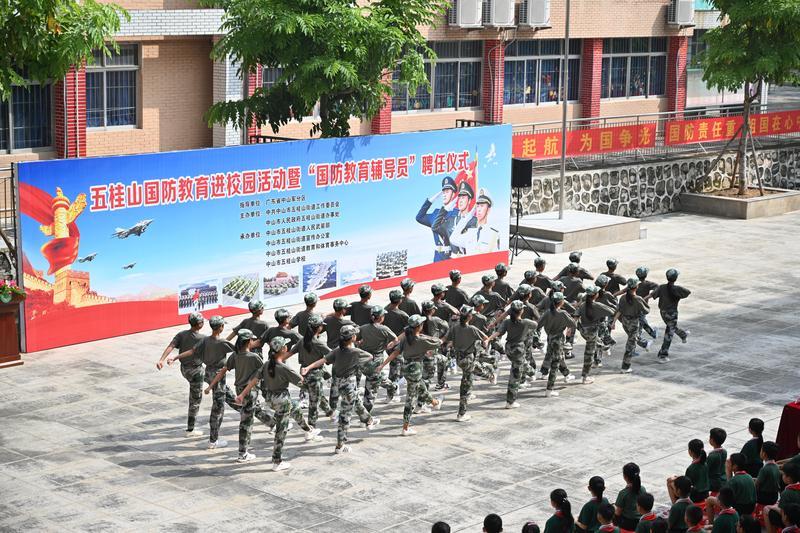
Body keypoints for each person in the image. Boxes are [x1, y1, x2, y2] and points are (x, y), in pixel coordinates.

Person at [235, 337, 323, 471]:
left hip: (271, 399)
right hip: (282, 401)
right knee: (281, 431)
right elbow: (302, 383)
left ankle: (308, 431)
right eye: (286, 345)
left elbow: (254, 380)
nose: (287, 346)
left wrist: (242, 395)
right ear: (283, 349)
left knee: (296, 409)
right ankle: (277, 461)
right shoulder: (284, 367)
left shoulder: (267, 364)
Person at [301, 325, 380, 454]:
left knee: (357, 403)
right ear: (353, 337)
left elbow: (323, 360)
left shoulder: (337, 350)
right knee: (345, 416)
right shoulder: (355, 352)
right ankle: (340, 446)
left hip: (338, 383)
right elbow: (370, 357)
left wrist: (308, 367)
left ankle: (368, 420)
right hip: (348, 385)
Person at [168, 315, 236, 449]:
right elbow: (240, 351)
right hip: (218, 375)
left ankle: (213, 439)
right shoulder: (222, 342)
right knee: (218, 407)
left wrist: (175, 357)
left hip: (208, 372)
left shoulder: (205, 340)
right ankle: (213, 440)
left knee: (222, 401)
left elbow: (191, 351)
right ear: (221, 327)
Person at [377, 314, 443, 436]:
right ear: (419, 327)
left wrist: (382, 365)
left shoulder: (406, 338)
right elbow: (439, 342)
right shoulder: (421, 340)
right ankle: (405, 428)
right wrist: (424, 336)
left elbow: (396, 352)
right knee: (410, 399)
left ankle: (435, 403)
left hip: (406, 369)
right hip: (416, 370)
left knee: (421, 388)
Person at [204, 329, 262, 462]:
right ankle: (243, 453)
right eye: (252, 340)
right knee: (247, 422)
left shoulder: (235, 355)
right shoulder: (254, 357)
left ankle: (243, 452)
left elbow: (222, 371)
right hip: (249, 391)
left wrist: (210, 386)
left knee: (245, 419)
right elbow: (262, 374)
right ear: (248, 342)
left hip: (239, 389)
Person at [156, 312, 207, 437]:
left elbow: (171, 346)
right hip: (196, 371)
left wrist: (161, 359)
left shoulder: (182, 334)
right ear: (199, 324)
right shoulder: (203, 338)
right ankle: (190, 430)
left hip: (184, 369)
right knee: (195, 400)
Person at [447, 305, 494, 422]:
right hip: (468, 358)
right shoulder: (472, 329)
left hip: (459, 358)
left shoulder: (455, 327)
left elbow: (448, 340)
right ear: (469, 317)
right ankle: (461, 414)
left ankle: (489, 375)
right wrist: (484, 344)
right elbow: (485, 338)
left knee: (471, 373)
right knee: (465, 386)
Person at [488, 300, 536, 408]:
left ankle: (532, 373)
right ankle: (510, 402)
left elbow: (498, 332)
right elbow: (536, 324)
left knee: (520, 364)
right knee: (515, 375)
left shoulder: (507, 322)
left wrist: (489, 338)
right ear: (521, 311)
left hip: (509, 348)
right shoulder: (525, 322)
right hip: (518, 349)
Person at [292, 314, 334, 427]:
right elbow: (332, 355)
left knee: (318, 395)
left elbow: (290, 353)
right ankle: (311, 426)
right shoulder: (318, 343)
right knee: (314, 401)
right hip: (315, 375)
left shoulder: (302, 341)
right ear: (319, 328)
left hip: (304, 373)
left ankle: (331, 413)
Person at [357, 305, 400, 410]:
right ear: (381, 317)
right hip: (377, 358)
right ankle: (392, 386)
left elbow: (356, 339)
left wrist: (360, 343)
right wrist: (389, 345)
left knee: (371, 381)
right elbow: (395, 339)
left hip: (365, 357)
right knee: (374, 378)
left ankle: (367, 410)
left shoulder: (363, 328)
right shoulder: (384, 329)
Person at [536, 292, 577, 397]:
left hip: (550, 338)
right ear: (561, 302)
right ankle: (549, 389)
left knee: (558, 357)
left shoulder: (547, 312)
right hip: (558, 339)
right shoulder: (562, 313)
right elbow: (573, 323)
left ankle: (567, 374)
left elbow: (538, 325)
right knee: (555, 363)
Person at [611, 278, 653, 373]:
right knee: (630, 344)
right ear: (636, 287)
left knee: (632, 338)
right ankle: (625, 367)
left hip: (625, 322)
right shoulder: (638, 299)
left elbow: (619, 311)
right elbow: (646, 310)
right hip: (633, 323)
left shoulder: (623, 298)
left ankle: (645, 344)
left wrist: (613, 322)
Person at [576, 285, 615, 384]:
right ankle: (585, 377)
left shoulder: (582, 305)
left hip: (584, 331)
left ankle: (603, 346)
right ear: (595, 295)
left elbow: (575, 316)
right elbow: (611, 311)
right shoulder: (597, 305)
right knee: (589, 354)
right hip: (592, 332)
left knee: (591, 349)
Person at [650, 269, 691, 362]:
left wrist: (642, 299)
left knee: (671, 328)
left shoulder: (662, 287)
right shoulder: (676, 289)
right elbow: (688, 292)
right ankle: (663, 355)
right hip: (672, 314)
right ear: (675, 278)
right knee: (669, 333)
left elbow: (651, 295)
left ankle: (683, 335)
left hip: (663, 313)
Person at [324, 298, 356, 415]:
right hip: (345, 353)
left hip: (332, 353)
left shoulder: (327, 320)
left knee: (335, 380)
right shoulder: (348, 324)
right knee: (349, 378)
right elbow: (358, 333)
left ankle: (332, 407)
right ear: (343, 310)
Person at [416, 176, 458, 262]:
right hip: (438, 257)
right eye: (443, 192)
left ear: (453, 194)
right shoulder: (436, 213)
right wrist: (431, 200)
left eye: (447, 192)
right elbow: (419, 217)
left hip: (452, 256)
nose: (444, 195)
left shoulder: (457, 213)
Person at [448, 188, 501, 255]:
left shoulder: (493, 234)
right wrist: (469, 215)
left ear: (488, 210)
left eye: (482, 206)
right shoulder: (470, 233)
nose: (479, 209)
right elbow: (453, 239)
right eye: (477, 206)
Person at [433, 180, 477, 257]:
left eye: (463, 198)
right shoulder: (451, 221)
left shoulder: (474, 221)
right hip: (454, 259)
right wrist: (445, 209)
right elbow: (435, 227)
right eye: (459, 198)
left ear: (469, 200)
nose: (460, 201)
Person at [384, 289, 410, 392]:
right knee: (395, 367)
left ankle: (398, 382)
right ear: (400, 301)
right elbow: (408, 331)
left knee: (396, 364)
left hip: (387, 344)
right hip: (398, 344)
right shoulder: (403, 315)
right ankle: (393, 390)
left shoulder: (384, 311)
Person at [615, 463, 646, 532]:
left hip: (628, 524)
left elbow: (618, 512)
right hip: (641, 520)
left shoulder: (623, 493)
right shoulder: (643, 489)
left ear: (625, 477)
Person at [634, 267, 659, 341]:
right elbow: (658, 287)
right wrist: (650, 295)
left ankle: (652, 333)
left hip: (634, 305)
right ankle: (641, 338)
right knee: (641, 321)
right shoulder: (648, 284)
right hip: (643, 306)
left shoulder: (635, 283)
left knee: (642, 321)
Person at [757, 442, 782, 508]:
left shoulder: (764, 469)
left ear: (764, 454)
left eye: (761, 450)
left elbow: (757, 484)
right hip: (774, 496)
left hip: (764, 497)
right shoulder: (776, 466)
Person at [709, 428, 729, 496]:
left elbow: (706, 468)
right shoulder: (724, 451)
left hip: (714, 482)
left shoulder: (712, 455)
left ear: (712, 440)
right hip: (723, 479)